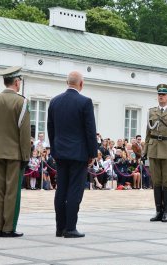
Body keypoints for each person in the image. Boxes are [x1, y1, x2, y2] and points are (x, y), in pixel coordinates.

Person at [47, 71, 97, 238]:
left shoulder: (54, 102)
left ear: (66, 82)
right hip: (79, 153)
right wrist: (92, 153)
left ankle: (59, 227)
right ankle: (70, 228)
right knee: (75, 190)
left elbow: (50, 129)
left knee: (61, 189)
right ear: (81, 84)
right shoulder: (85, 102)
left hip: (60, 153)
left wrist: (54, 150)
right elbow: (90, 131)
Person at [0, 66, 31, 237]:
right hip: (15, 154)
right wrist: (26, 155)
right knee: (12, 192)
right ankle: (8, 228)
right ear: (17, 82)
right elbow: (24, 133)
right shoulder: (22, 102)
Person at [142, 84, 167, 223]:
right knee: (156, 181)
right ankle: (158, 211)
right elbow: (148, 133)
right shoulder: (151, 112)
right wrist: (145, 150)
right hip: (154, 149)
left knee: (166, 181)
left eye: (164, 95)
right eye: (159, 94)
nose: (161, 96)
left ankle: (166, 212)